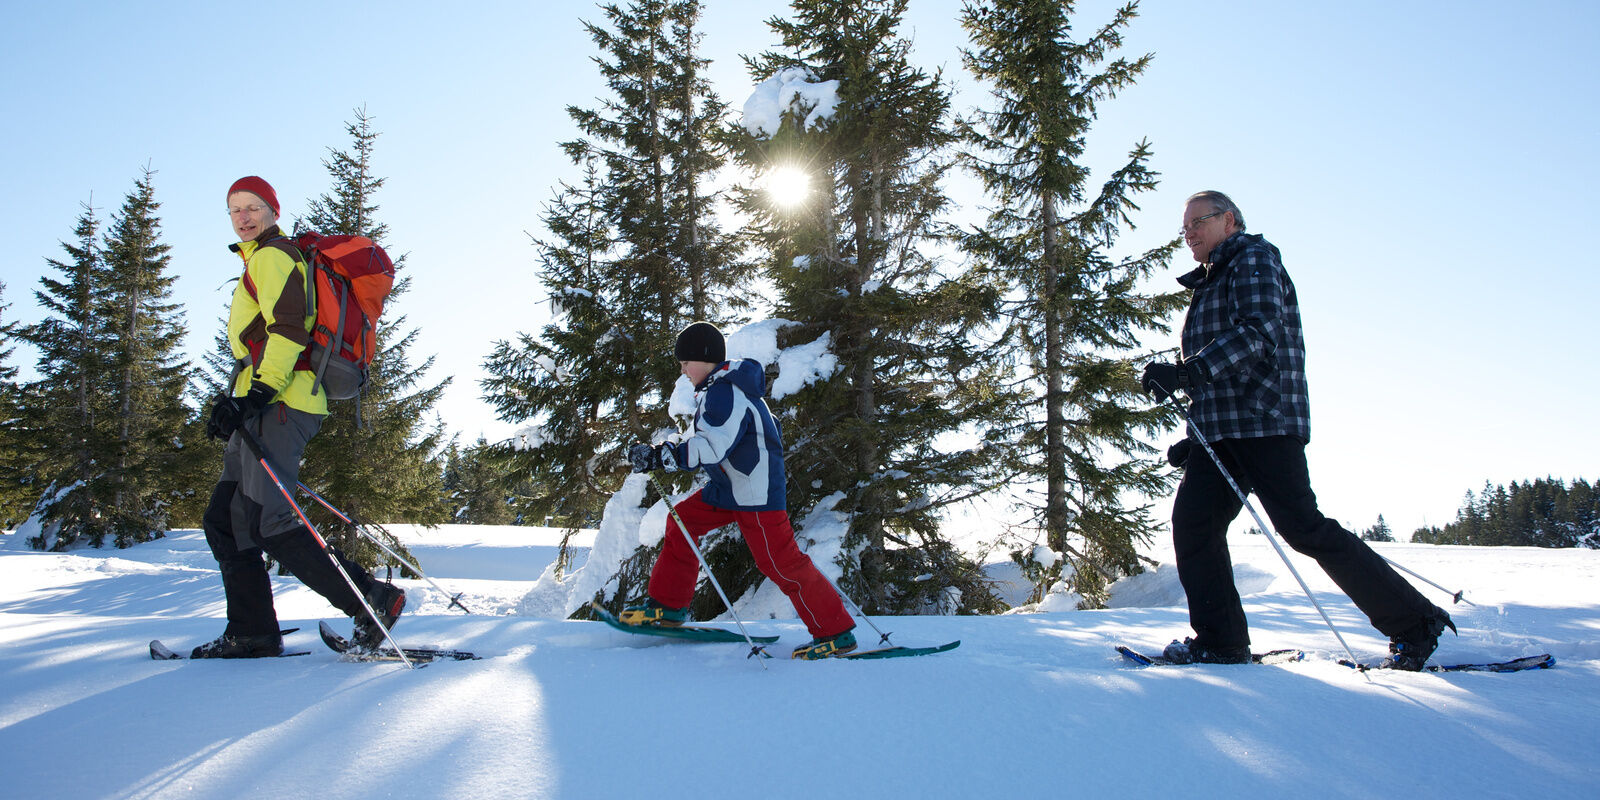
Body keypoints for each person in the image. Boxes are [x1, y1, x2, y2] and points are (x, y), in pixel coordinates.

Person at [1140, 190, 1452, 670]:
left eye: (1197, 223)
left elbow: (1258, 332)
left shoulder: (1254, 260)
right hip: (1223, 430)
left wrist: (1185, 374)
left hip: (1266, 421)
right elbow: (1221, 362)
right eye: (1184, 229)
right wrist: (1195, 428)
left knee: (1303, 528)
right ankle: (1221, 642)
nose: (1190, 235)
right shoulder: (1214, 277)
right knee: (1194, 527)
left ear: (1228, 220)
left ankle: (1416, 623)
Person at [192, 176, 405, 658]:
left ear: (272, 210)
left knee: (272, 523)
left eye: (252, 207)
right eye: (235, 210)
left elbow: (288, 330)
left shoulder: (273, 256)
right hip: (262, 404)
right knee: (226, 520)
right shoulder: (259, 258)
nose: (243, 216)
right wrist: (237, 401)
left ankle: (373, 601)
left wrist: (258, 394)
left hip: (281, 404)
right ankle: (251, 631)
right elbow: (258, 343)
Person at [624, 322, 857, 659]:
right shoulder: (719, 389)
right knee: (683, 521)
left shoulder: (726, 392)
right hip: (731, 487)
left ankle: (836, 633)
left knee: (781, 563)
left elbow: (712, 446)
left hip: (754, 493)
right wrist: (665, 453)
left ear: (703, 359)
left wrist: (663, 457)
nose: (683, 370)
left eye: (685, 362)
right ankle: (668, 607)